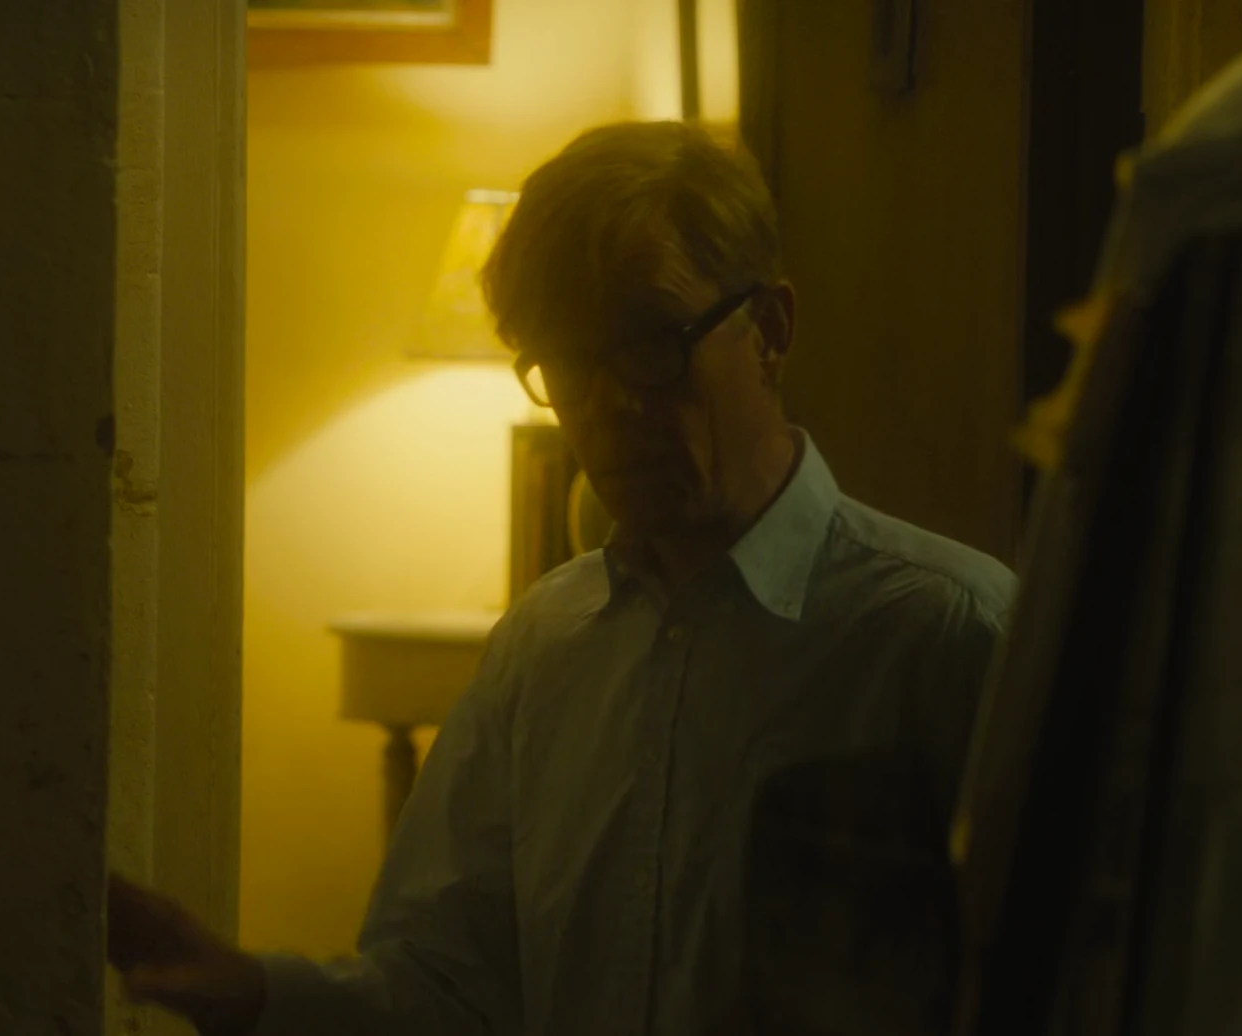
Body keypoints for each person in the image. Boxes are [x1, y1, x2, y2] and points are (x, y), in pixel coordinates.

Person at [108, 120, 1015, 1036]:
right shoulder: (543, 648)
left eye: (651, 343)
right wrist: (252, 994)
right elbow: (443, 989)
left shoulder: (949, 634)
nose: (609, 404)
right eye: (568, 363)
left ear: (770, 331)